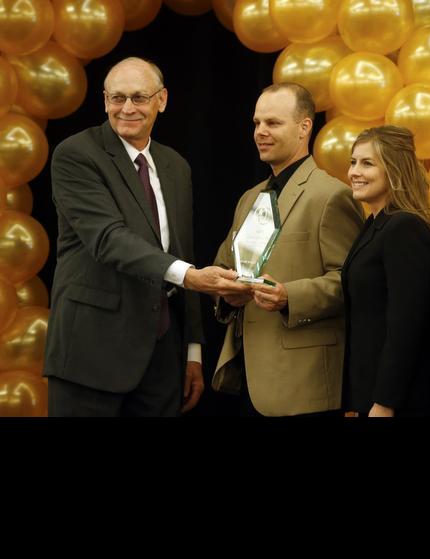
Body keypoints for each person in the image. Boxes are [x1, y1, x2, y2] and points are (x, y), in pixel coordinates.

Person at [44, 57, 248, 417]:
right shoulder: (76, 154)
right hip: (91, 352)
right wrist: (190, 276)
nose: (127, 108)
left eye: (139, 97)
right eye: (117, 98)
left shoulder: (175, 166)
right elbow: (108, 238)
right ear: (104, 101)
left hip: (162, 357)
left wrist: (192, 350)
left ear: (162, 100)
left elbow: (183, 251)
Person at [211, 83, 363, 416]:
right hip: (247, 377)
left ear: (304, 127)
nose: (260, 132)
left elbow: (353, 281)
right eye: (256, 123)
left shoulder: (332, 196)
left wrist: (289, 297)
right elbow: (224, 266)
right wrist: (226, 292)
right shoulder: (250, 198)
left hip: (304, 386)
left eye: (273, 123)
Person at [340, 126, 430, 417]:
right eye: (353, 162)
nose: (354, 172)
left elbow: (406, 326)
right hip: (371, 394)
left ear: (394, 170)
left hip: (399, 401)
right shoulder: (375, 223)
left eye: (367, 163)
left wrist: (385, 402)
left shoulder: (405, 227)